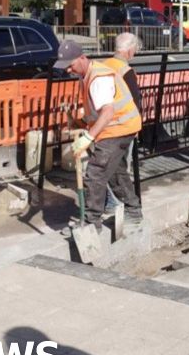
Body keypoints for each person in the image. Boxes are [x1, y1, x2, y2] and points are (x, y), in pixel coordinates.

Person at [56, 33, 144, 230]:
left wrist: (88, 137)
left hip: (118, 127)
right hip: (119, 127)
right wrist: (79, 121)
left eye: (70, 65)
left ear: (82, 57)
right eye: (66, 67)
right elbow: (96, 112)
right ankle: (133, 211)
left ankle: (91, 222)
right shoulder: (87, 74)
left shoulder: (98, 78)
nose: (69, 70)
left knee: (95, 173)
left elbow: (107, 112)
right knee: (115, 172)